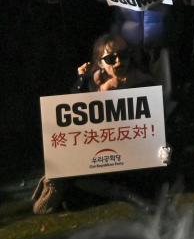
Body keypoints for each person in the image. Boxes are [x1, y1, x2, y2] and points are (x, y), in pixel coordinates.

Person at [32, 34, 167, 215]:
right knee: (69, 166)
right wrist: (85, 81)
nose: (119, 62)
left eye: (124, 55)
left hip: (131, 158)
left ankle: (121, 194)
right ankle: (117, 194)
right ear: (101, 63)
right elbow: (70, 113)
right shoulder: (92, 82)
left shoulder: (144, 82)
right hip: (98, 159)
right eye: (111, 58)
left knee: (73, 184)